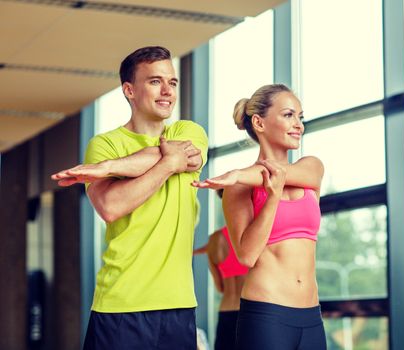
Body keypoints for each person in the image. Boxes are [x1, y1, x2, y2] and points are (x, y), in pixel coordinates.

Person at [51, 46, 208, 349]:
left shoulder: (189, 130)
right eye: (154, 82)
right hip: (121, 304)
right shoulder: (105, 144)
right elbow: (111, 206)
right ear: (129, 90)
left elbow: (185, 156)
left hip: (179, 303)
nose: (167, 91)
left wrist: (109, 169)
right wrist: (167, 163)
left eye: (172, 82)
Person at [192, 84, 327, 350]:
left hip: (312, 315)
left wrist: (241, 174)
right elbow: (246, 255)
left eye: (300, 117)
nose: (298, 124)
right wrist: (271, 198)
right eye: (289, 115)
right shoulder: (239, 189)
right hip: (267, 315)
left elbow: (282, 174)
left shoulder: (311, 167)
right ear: (259, 122)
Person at [193, 189, 248, 350]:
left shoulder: (214, 240)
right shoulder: (251, 236)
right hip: (249, 311)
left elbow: (220, 286)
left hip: (226, 311)